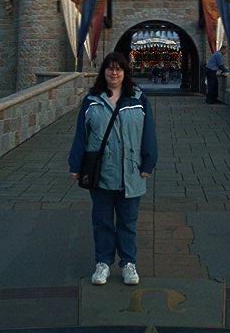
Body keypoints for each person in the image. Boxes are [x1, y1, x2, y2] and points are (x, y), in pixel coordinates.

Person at [68, 51, 158, 286]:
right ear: (104, 72)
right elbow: (81, 135)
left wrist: (149, 161)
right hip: (101, 171)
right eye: (110, 68)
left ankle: (128, 263)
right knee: (103, 221)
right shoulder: (92, 100)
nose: (114, 73)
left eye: (119, 69)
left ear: (125, 72)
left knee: (128, 222)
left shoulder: (138, 99)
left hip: (131, 170)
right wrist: (75, 164)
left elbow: (148, 133)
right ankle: (103, 263)